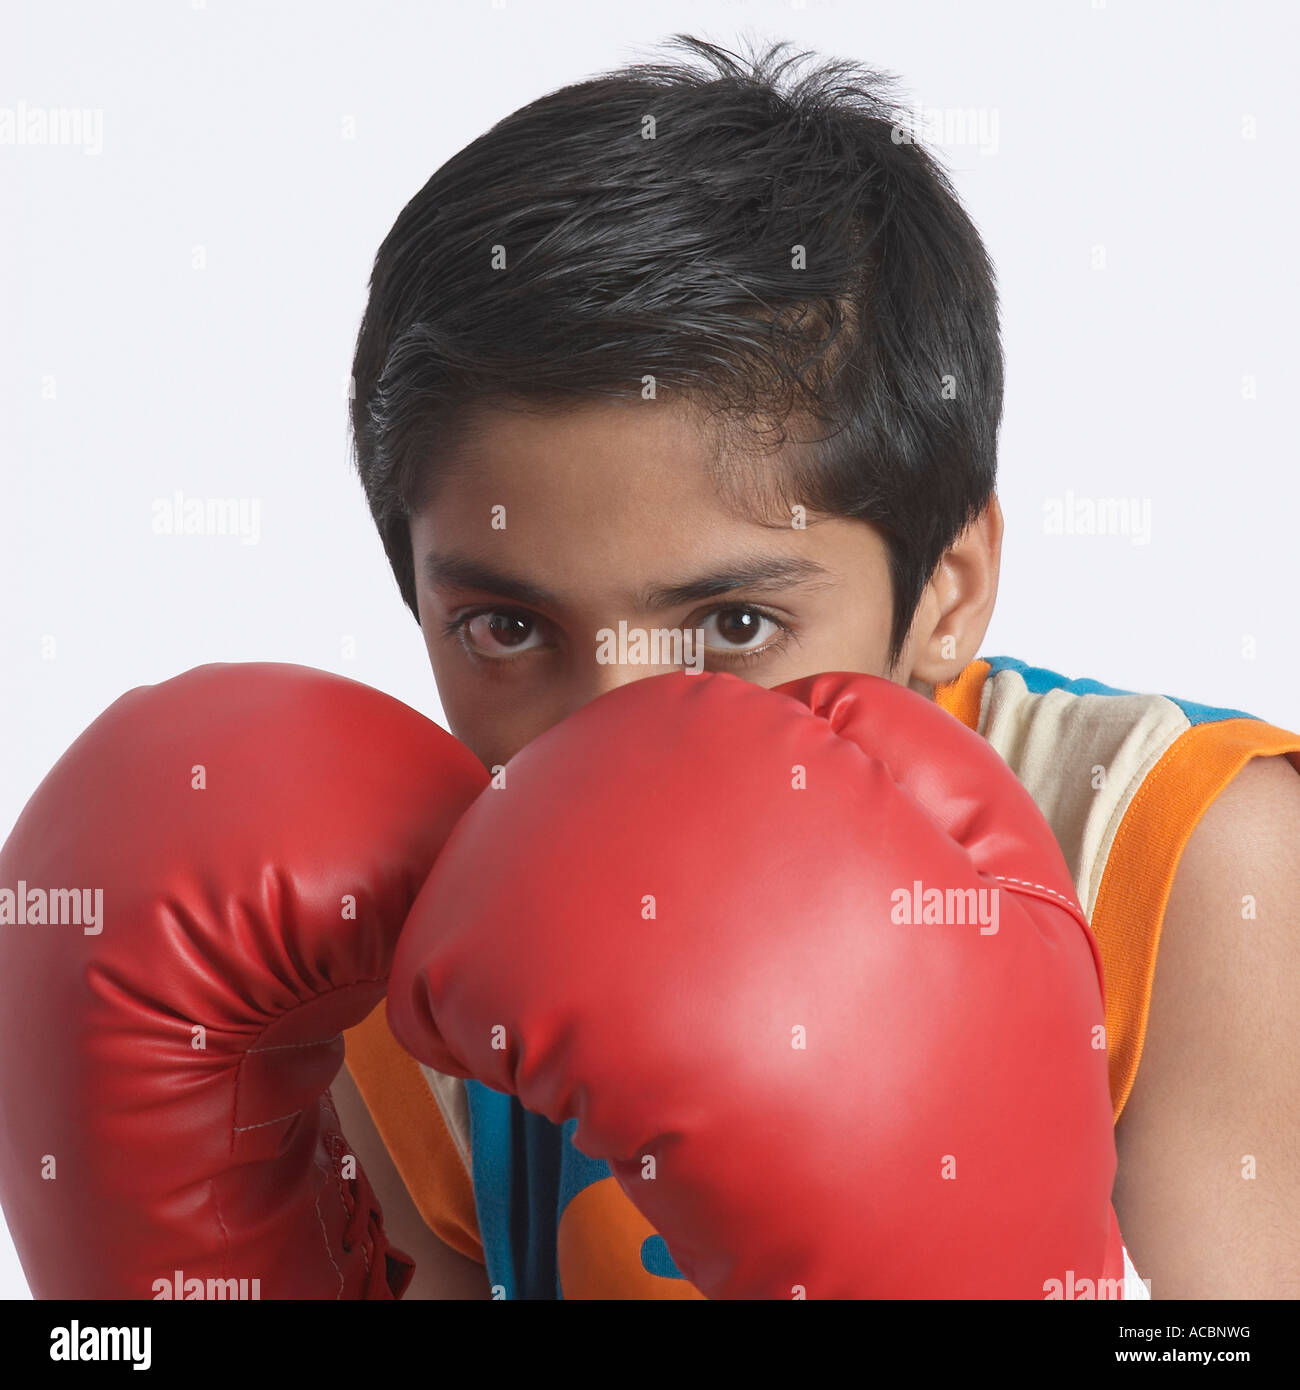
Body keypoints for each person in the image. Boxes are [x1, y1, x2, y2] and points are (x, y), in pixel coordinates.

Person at [333, 33, 1300, 1300]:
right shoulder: (390, 959)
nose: (614, 741)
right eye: (508, 630)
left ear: (945, 589)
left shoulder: (1172, 855)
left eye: (731, 626)